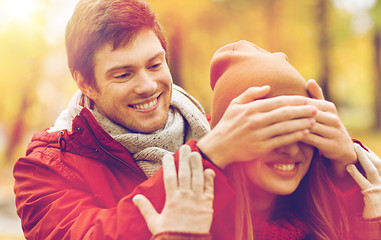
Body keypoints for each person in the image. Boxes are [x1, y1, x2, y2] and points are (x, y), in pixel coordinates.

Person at [13, 1, 321, 239]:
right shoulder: (43, 169)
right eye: (123, 74)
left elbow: (299, 200)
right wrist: (207, 157)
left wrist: (342, 156)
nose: (147, 85)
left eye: (155, 64)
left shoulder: (217, 131)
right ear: (86, 84)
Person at [132, 40, 381, 240]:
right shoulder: (193, 222)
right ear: (230, 138)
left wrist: (370, 222)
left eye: (302, 127)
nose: (291, 148)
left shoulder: (329, 219)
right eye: (271, 130)